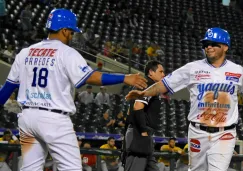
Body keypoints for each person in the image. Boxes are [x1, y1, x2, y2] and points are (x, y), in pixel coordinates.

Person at [0, 9, 147, 171]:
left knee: (30, 168)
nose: (71, 35)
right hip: (53, 118)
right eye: (71, 31)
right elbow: (91, 77)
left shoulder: (25, 53)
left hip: (27, 118)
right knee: (72, 168)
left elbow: (8, 88)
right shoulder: (66, 53)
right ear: (64, 30)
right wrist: (125, 78)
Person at [126, 27, 241, 171]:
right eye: (206, 44)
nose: (208, 47)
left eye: (213, 43)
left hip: (225, 133)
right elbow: (164, 84)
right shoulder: (192, 68)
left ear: (225, 47)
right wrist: (145, 93)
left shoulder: (238, 71)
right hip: (198, 131)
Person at [124, 60, 165, 171]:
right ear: (151, 72)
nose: (163, 74)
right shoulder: (148, 84)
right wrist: (143, 131)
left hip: (141, 135)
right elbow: (138, 106)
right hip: (139, 134)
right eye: (161, 71)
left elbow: (129, 112)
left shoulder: (146, 84)